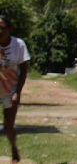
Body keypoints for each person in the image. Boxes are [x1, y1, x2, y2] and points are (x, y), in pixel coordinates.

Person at [0, 15, 30, 164]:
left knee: (8, 127)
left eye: (2, 28)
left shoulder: (18, 45)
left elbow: (24, 69)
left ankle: (13, 147)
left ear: (9, 30)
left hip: (10, 90)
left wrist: (18, 92)